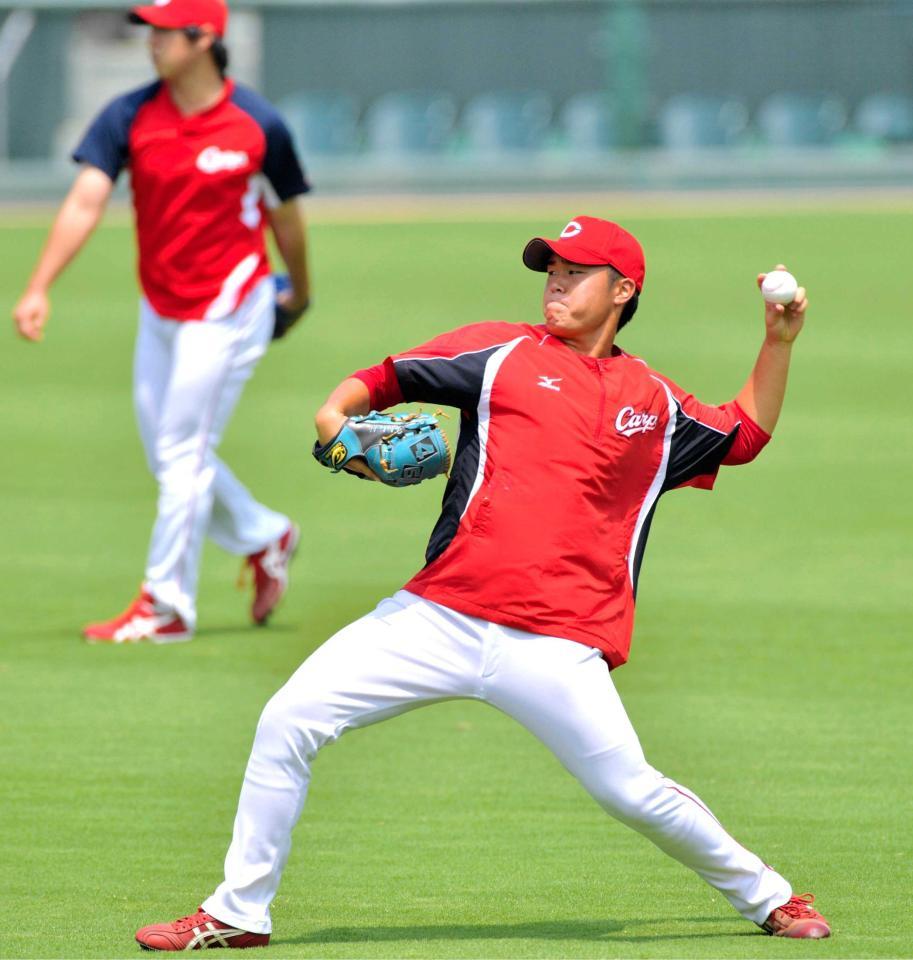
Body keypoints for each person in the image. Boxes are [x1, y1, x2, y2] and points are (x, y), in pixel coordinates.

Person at [135, 215, 830, 949]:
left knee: (631, 791)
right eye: (550, 270)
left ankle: (771, 897)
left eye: (574, 272)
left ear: (623, 290)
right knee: (287, 720)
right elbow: (386, 378)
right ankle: (237, 915)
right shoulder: (501, 353)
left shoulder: (652, 404)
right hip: (438, 617)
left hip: (558, 646)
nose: (554, 283)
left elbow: (741, 435)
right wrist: (333, 417)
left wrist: (776, 342)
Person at [12, 0, 311, 643]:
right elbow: (87, 198)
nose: (150, 41)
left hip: (230, 307)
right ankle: (265, 535)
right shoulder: (130, 114)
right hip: (162, 305)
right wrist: (39, 286)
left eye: (164, 30)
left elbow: (286, 217)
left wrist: (301, 293)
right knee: (170, 455)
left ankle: (166, 606)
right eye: (148, 28)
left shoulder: (258, 124)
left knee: (181, 453)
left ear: (203, 38)